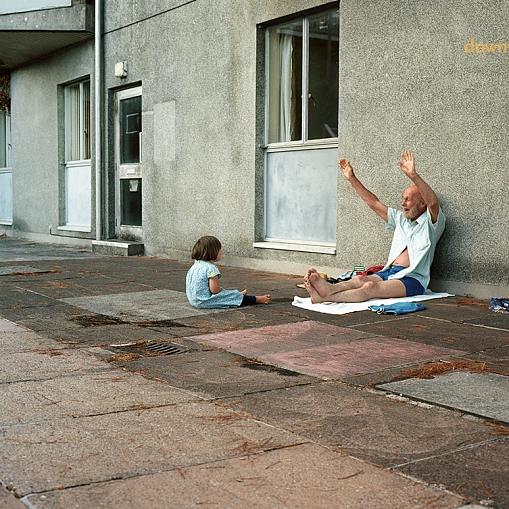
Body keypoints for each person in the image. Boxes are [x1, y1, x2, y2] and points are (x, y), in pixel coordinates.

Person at [305, 150, 445, 303]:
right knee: (359, 281)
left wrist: (413, 175)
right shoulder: (401, 219)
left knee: (370, 288)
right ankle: (328, 289)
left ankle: (325, 297)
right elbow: (373, 203)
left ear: (422, 203)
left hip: (412, 280)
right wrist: (352, 178)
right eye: (403, 199)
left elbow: (433, 203)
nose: (402, 203)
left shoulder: (431, 223)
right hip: (389, 272)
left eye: (408, 199)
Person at [186, 236, 270, 308]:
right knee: (232, 297)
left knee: (229, 295)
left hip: (193, 300)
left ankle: (238, 295)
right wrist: (224, 294)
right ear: (212, 252)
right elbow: (215, 290)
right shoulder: (211, 268)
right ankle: (258, 299)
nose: (221, 252)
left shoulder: (195, 266)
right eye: (219, 249)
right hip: (203, 301)